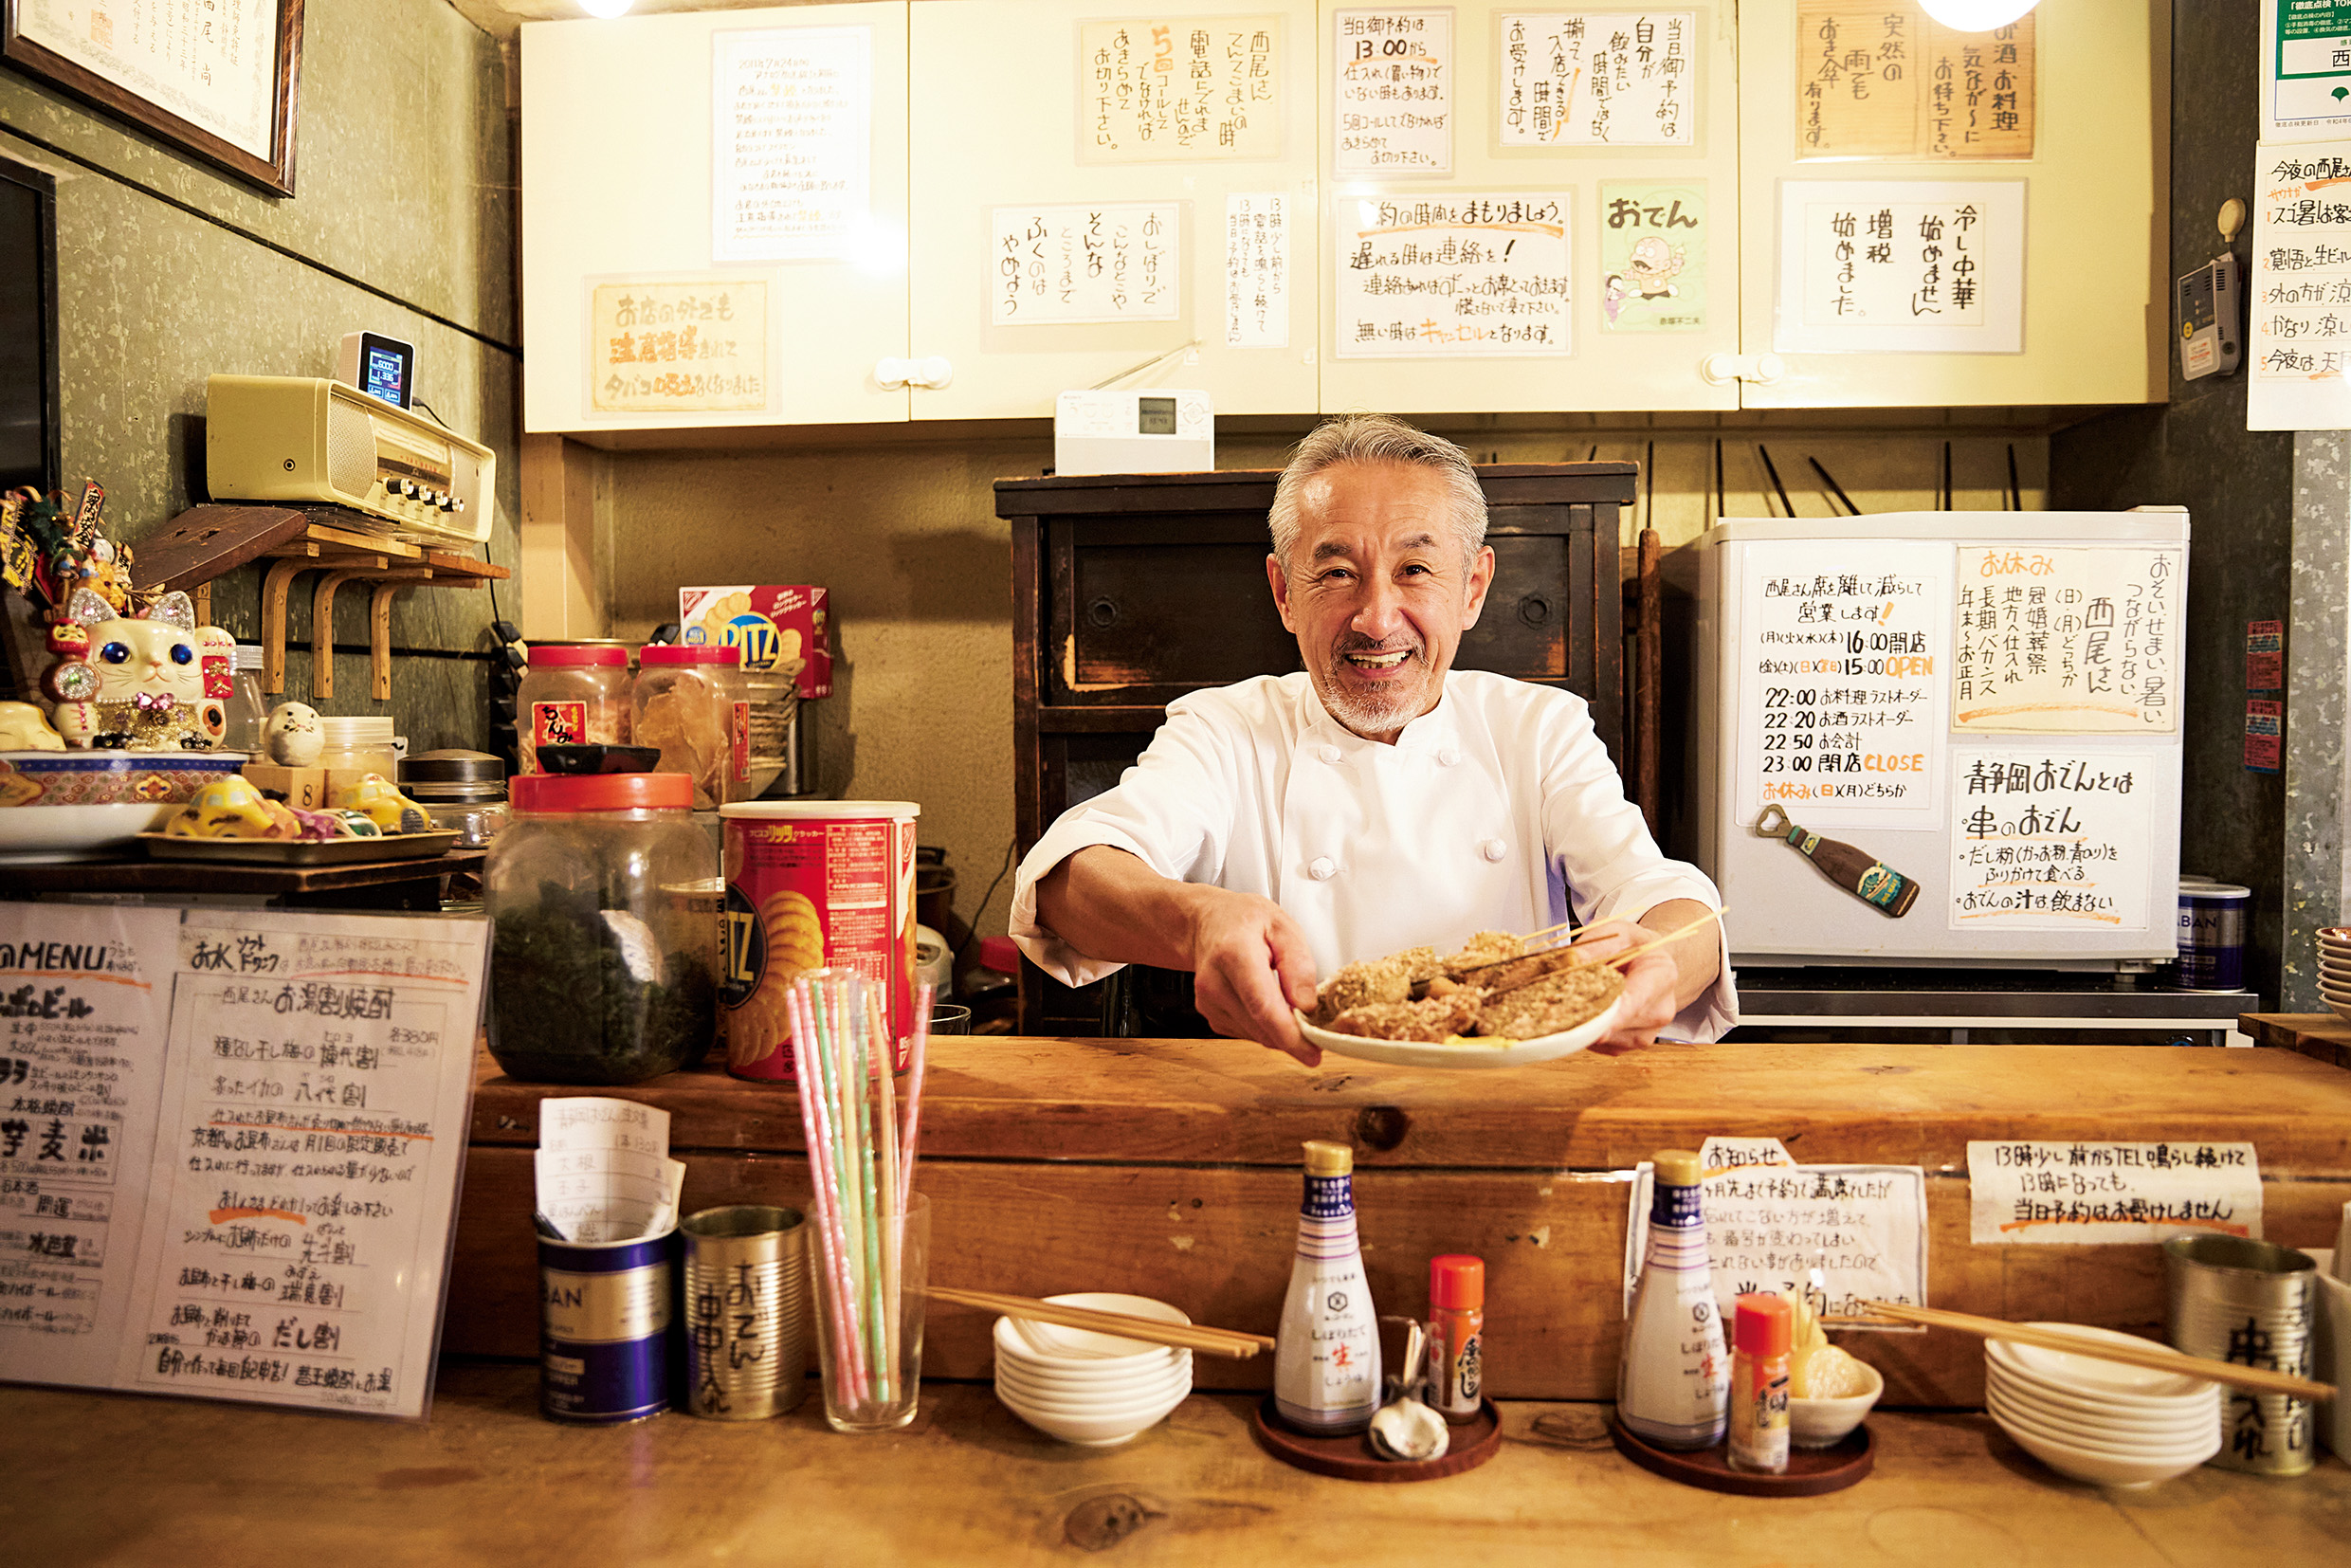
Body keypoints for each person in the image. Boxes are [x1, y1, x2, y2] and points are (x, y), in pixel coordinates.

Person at [1010, 414, 1735, 1066]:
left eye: (1415, 570)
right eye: (1336, 573)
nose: (1377, 620)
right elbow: (1072, 881)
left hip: (1506, 1112)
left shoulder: (1537, 728)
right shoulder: (1228, 729)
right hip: (1290, 1101)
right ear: (1283, 593)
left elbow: (1658, 894)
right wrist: (1199, 922)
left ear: (1474, 588)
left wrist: (1659, 958)